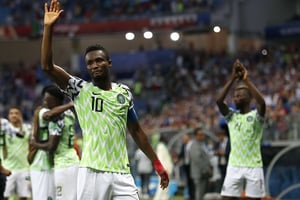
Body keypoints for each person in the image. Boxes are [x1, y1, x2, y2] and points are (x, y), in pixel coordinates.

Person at [40, 0, 169, 199]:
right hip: (92, 171)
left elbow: (136, 130)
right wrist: (49, 28)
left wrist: (157, 163)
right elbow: (47, 67)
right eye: (89, 63)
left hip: (122, 173)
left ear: (109, 62)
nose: (94, 65)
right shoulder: (79, 90)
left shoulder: (124, 93)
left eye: (99, 60)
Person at [216, 59, 266, 200]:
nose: (235, 98)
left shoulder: (256, 116)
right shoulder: (232, 116)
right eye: (235, 96)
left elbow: (261, 103)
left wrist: (247, 80)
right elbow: (219, 101)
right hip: (234, 165)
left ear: (249, 98)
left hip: (253, 166)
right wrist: (232, 79)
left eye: (239, 95)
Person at [29, 85, 74, 200]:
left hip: (58, 162)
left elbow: (51, 146)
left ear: (56, 100)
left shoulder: (56, 116)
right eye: (43, 99)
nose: (44, 103)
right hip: (50, 162)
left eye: (47, 100)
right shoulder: (69, 114)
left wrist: (35, 144)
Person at [3, 107, 32, 200]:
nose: (14, 115)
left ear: (21, 116)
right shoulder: (4, 130)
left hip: (24, 168)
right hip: (7, 167)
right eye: (11, 113)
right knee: (4, 196)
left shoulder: (27, 129)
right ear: (8, 116)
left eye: (16, 113)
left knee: (24, 197)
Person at [189, 127, 212, 200]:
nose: (202, 136)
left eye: (202, 134)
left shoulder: (202, 144)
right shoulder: (194, 145)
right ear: (196, 136)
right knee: (199, 193)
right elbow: (197, 159)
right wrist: (206, 169)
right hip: (199, 173)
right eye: (200, 134)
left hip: (203, 173)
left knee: (202, 193)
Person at [153, 135, 173, 200]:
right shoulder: (161, 146)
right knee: (161, 187)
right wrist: (162, 170)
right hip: (164, 170)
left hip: (165, 169)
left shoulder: (163, 146)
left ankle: (165, 198)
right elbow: (160, 158)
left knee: (165, 187)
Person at [179, 133, 194, 200]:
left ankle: (194, 195)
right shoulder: (184, 145)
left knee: (193, 181)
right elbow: (181, 154)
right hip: (186, 165)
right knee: (188, 181)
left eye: (185, 138)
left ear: (188, 138)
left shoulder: (192, 144)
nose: (183, 140)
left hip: (193, 165)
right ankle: (190, 195)